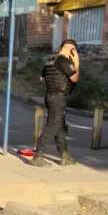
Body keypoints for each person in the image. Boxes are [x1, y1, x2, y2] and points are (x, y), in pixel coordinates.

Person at [30, 39, 80, 167]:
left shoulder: (50, 60)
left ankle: (64, 156)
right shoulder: (64, 61)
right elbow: (74, 78)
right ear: (72, 50)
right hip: (58, 97)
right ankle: (37, 156)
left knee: (60, 128)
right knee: (52, 126)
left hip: (50, 95)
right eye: (74, 51)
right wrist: (76, 62)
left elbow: (42, 78)